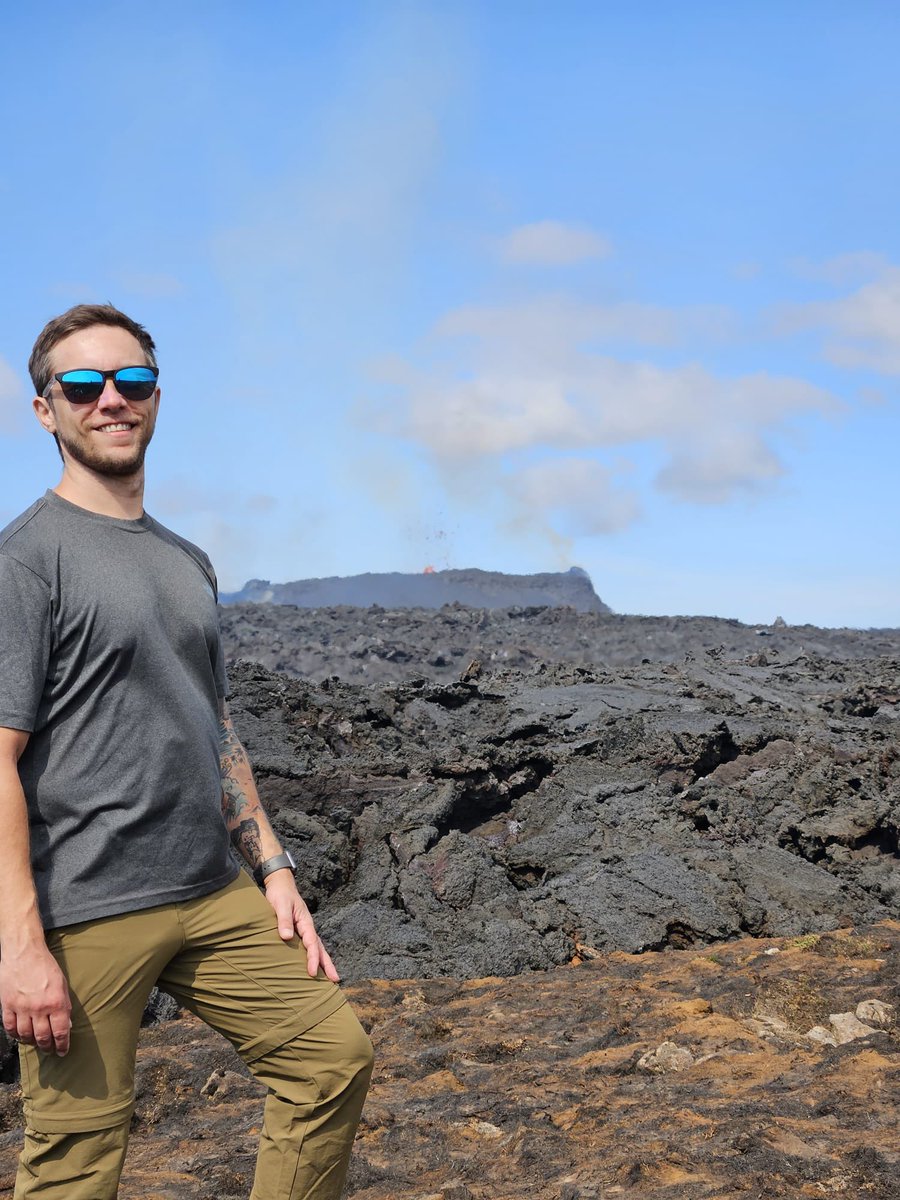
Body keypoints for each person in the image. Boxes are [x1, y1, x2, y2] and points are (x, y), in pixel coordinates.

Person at [0, 304, 373, 1199]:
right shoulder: (27, 562)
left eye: (131, 381)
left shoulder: (187, 560)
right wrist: (18, 944)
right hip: (86, 910)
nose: (111, 400)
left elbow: (216, 723)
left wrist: (274, 867)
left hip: (212, 895)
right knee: (76, 1161)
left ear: (157, 397)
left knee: (331, 1060)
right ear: (47, 411)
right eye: (83, 386)